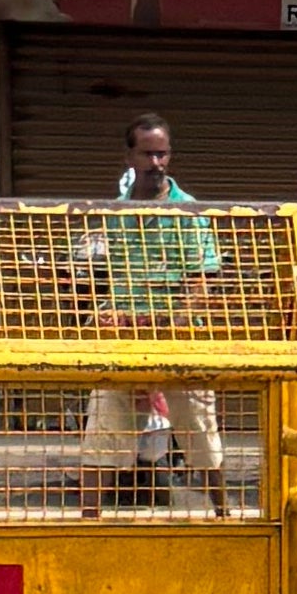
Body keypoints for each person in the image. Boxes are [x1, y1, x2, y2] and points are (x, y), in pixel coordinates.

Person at [76, 112, 225, 509]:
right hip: (125, 336)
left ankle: (226, 516)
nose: (156, 164)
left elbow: (202, 279)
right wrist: (105, 313)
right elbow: (102, 277)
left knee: (200, 432)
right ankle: (83, 525)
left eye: (162, 155)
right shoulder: (116, 213)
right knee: (102, 430)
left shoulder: (189, 211)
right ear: (130, 157)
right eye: (148, 155)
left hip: (178, 338)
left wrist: (172, 325)